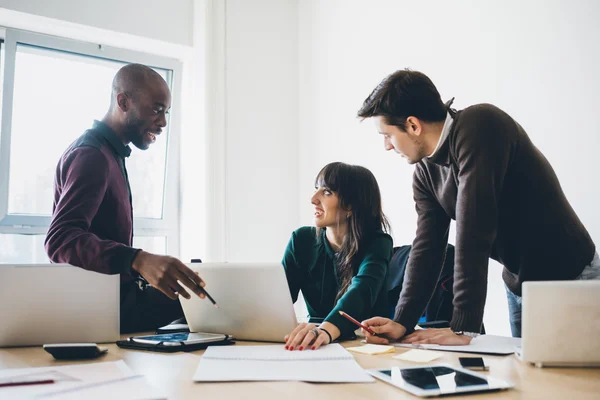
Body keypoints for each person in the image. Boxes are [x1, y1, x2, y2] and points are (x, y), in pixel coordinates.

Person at [356, 69, 599, 344]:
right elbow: (427, 248)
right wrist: (402, 321)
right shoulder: (425, 172)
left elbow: (474, 229)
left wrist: (464, 327)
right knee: (534, 381)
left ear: (413, 125)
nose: (387, 146)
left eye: (386, 135)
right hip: (521, 285)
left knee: (575, 386)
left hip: (569, 277)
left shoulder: (480, 126)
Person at [45, 64, 207, 333]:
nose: (163, 121)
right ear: (123, 102)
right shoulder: (92, 155)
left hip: (115, 302)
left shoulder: (111, 154)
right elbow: (59, 240)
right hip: (98, 313)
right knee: (209, 299)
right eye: (156, 109)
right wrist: (139, 260)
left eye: (166, 112)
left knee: (205, 285)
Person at [282, 162, 393, 350]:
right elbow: (280, 297)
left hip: (366, 346)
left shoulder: (378, 242)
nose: (313, 199)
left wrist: (325, 331)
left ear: (351, 205)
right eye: (316, 190)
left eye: (327, 193)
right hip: (317, 345)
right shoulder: (301, 239)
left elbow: (361, 292)